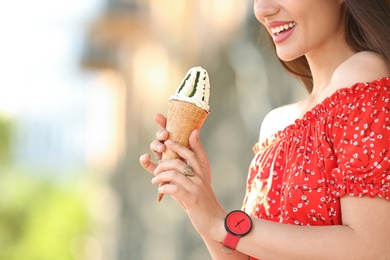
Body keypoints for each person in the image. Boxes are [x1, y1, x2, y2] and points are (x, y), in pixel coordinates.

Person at [140, 0, 390, 259]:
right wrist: (197, 201)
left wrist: (220, 222)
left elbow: (371, 248)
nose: (262, 10)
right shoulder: (275, 124)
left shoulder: (362, 75)